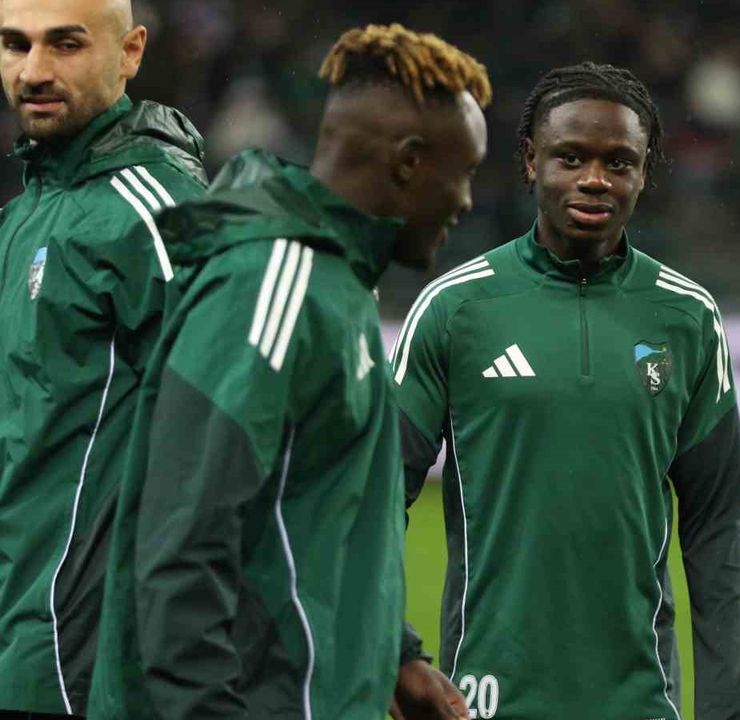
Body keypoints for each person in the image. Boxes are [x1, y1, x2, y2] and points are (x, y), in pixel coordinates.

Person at [87, 24, 489, 720]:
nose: (467, 201)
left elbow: (317, 519)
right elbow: (182, 552)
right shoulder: (271, 284)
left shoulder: (335, 285)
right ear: (409, 162)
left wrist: (392, 657)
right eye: (465, 171)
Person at [391, 62, 740, 720]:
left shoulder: (688, 318)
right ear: (530, 162)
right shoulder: (455, 309)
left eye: (619, 162)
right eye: (570, 157)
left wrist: (729, 711)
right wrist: (395, 651)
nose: (595, 179)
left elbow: (716, 530)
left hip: (642, 702)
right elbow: (373, 499)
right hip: (486, 701)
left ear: (645, 173)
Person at [0, 0, 208, 715]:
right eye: (14, 44)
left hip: (84, 661)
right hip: (21, 638)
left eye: (65, 45)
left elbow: (248, 442)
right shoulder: (26, 213)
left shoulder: (161, 216)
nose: (33, 71)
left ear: (131, 53)